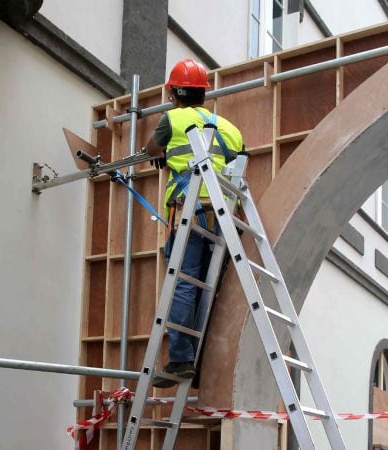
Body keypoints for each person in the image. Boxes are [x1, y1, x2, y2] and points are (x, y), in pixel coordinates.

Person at [143, 58, 245, 387]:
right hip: (220, 216)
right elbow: (241, 160)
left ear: (172, 92)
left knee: (184, 282)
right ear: (203, 93)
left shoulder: (171, 119)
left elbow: (151, 150)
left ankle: (183, 359)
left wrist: (164, 154)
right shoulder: (229, 128)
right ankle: (198, 358)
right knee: (206, 285)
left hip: (191, 210)